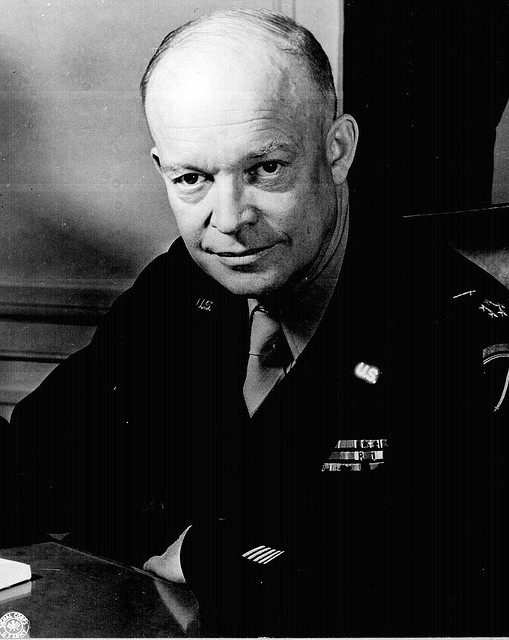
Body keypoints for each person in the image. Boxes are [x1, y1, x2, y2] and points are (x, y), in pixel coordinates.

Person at [2, 9, 509, 637]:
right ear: (163, 169)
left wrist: (207, 552)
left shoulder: (459, 333)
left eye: (265, 169)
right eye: (193, 178)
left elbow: (443, 575)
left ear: (337, 149)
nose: (229, 218)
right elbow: (40, 463)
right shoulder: (187, 283)